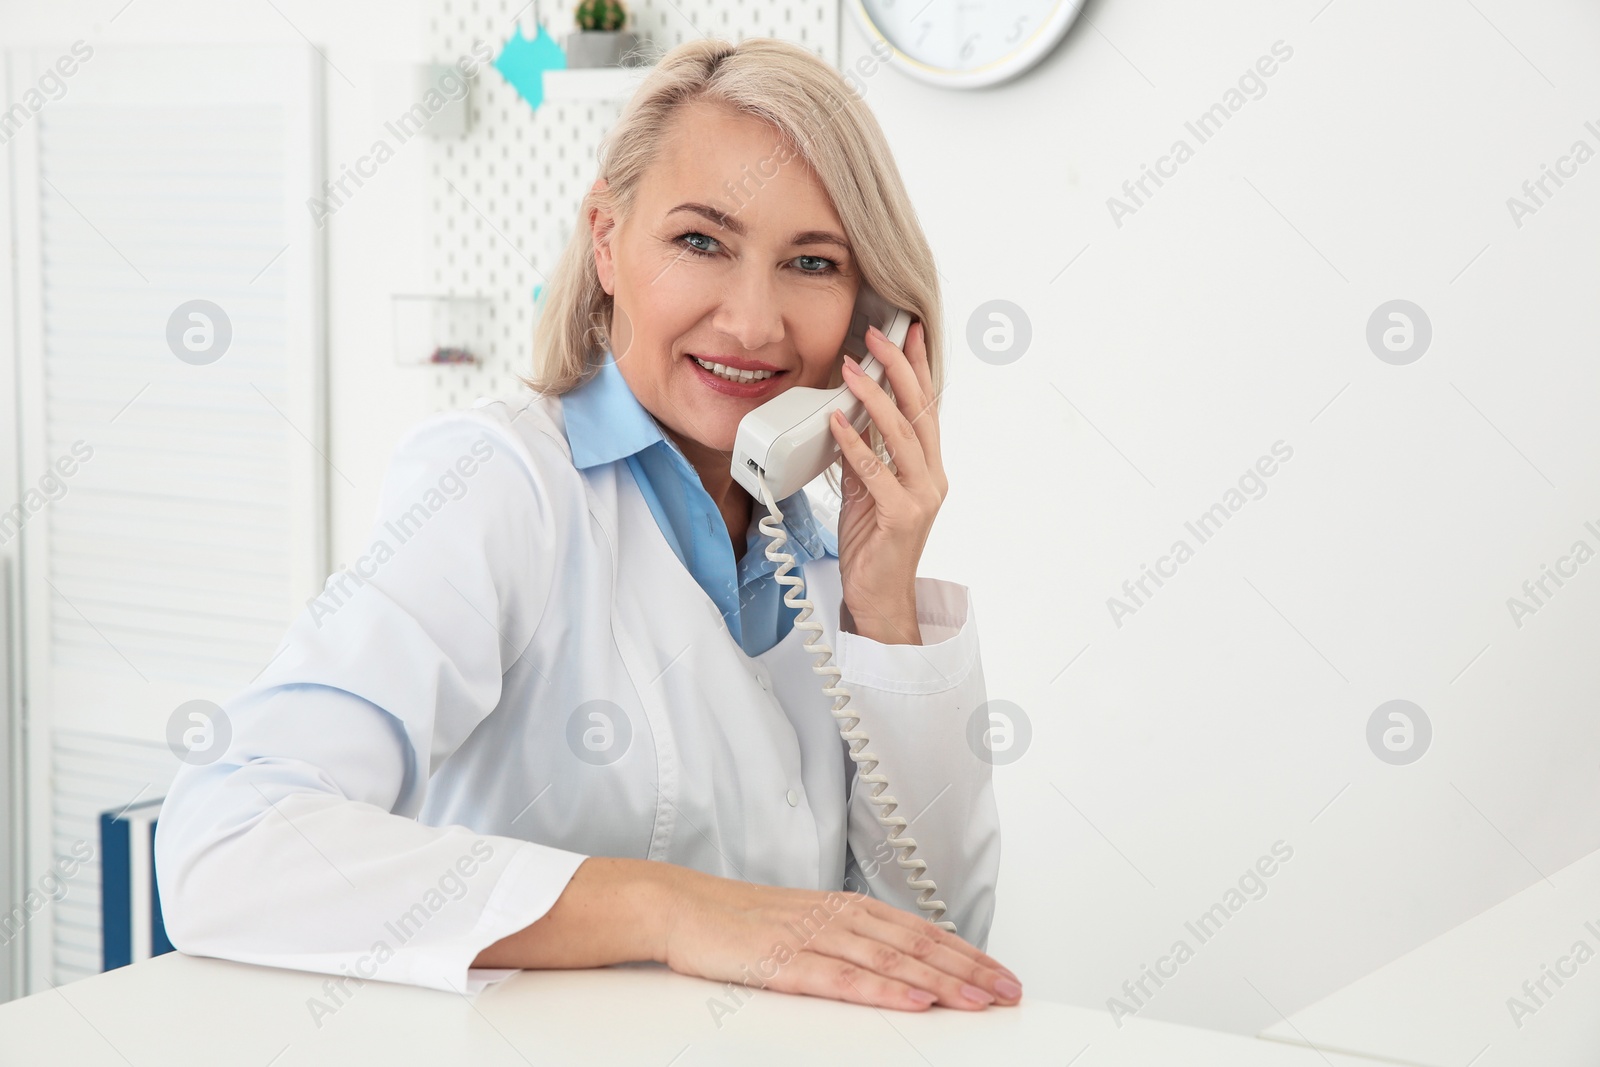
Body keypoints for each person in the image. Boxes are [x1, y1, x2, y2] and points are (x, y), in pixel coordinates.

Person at [154, 35, 1017, 1014]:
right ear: (606, 240)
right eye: (702, 241)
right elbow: (226, 841)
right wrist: (668, 907)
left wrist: (883, 600)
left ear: (873, 320)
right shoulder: (503, 484)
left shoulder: (822, 566)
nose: (752, 321)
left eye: (810, 262)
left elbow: (938, 950)